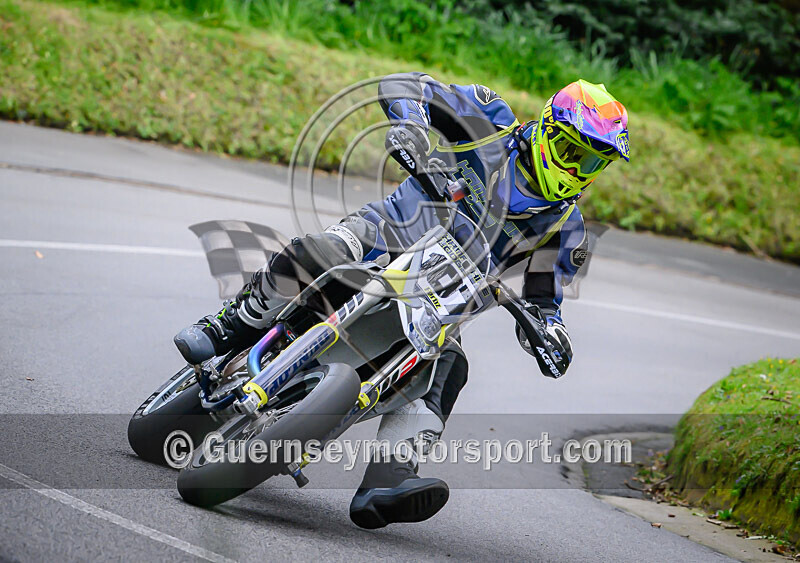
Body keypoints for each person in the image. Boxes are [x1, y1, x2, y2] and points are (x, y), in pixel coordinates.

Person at [174, 73, 629, 529]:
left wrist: (551, 334)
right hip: (379, 239)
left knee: (450, 367)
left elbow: (544, 300)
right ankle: (228, 326)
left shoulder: (566, 229)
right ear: (548, 129)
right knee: (321, 252)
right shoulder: (490, 121)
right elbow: (406, 86)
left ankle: (388, 479)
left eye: (591, 164)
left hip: (441, 302)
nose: (575, 170)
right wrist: (411, 126)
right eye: (572, 152)